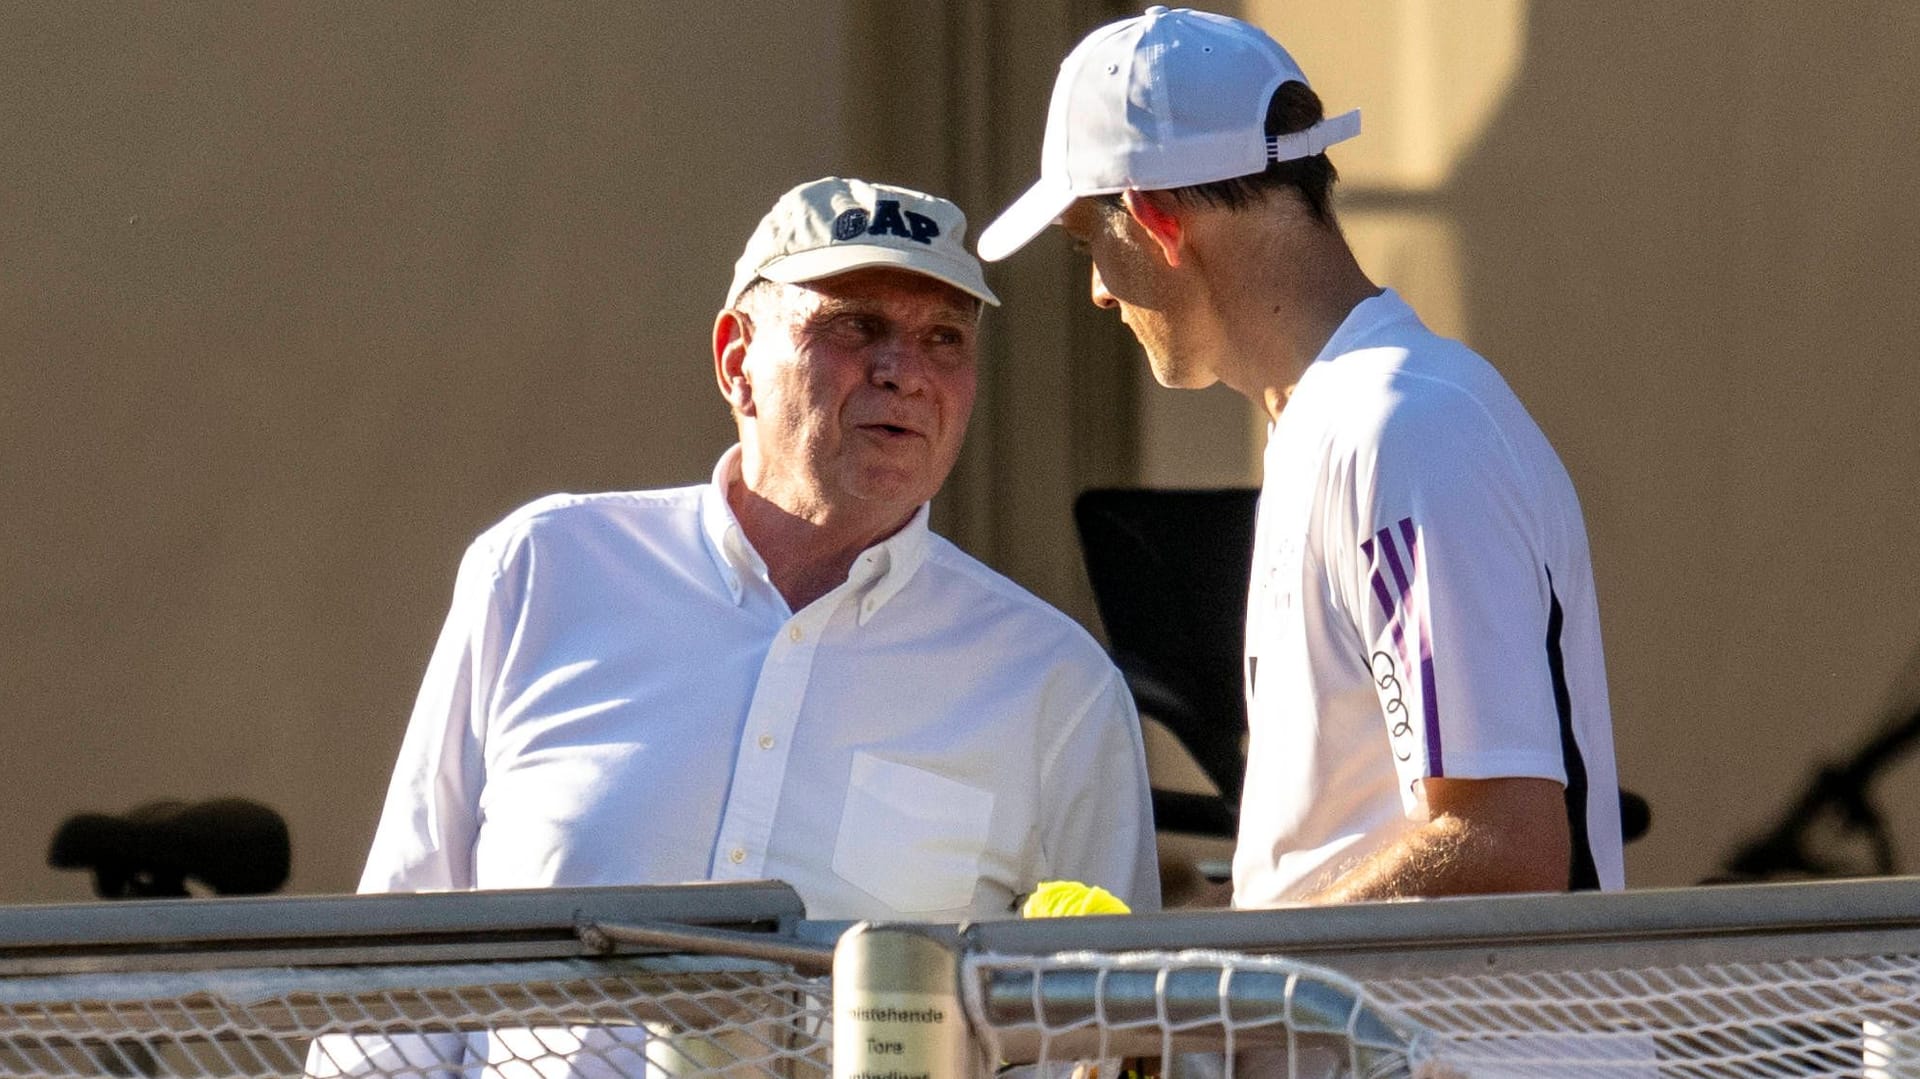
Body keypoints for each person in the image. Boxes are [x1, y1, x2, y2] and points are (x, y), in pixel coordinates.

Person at [308, 177, 1158, 1074]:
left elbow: (1113, 1037)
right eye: (855, 325)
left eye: (943, 337)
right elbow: (395, 980)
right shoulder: (542, 571)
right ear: (734, 360)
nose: (904, 370)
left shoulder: (1053, 682)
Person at [978, 6, 1624, 907]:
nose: (1096, 289)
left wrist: (1229, 978)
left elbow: (1501, 845)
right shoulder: (1354, 422)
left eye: (1090, 242)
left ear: (1155, 220)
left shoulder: (1399, 425)